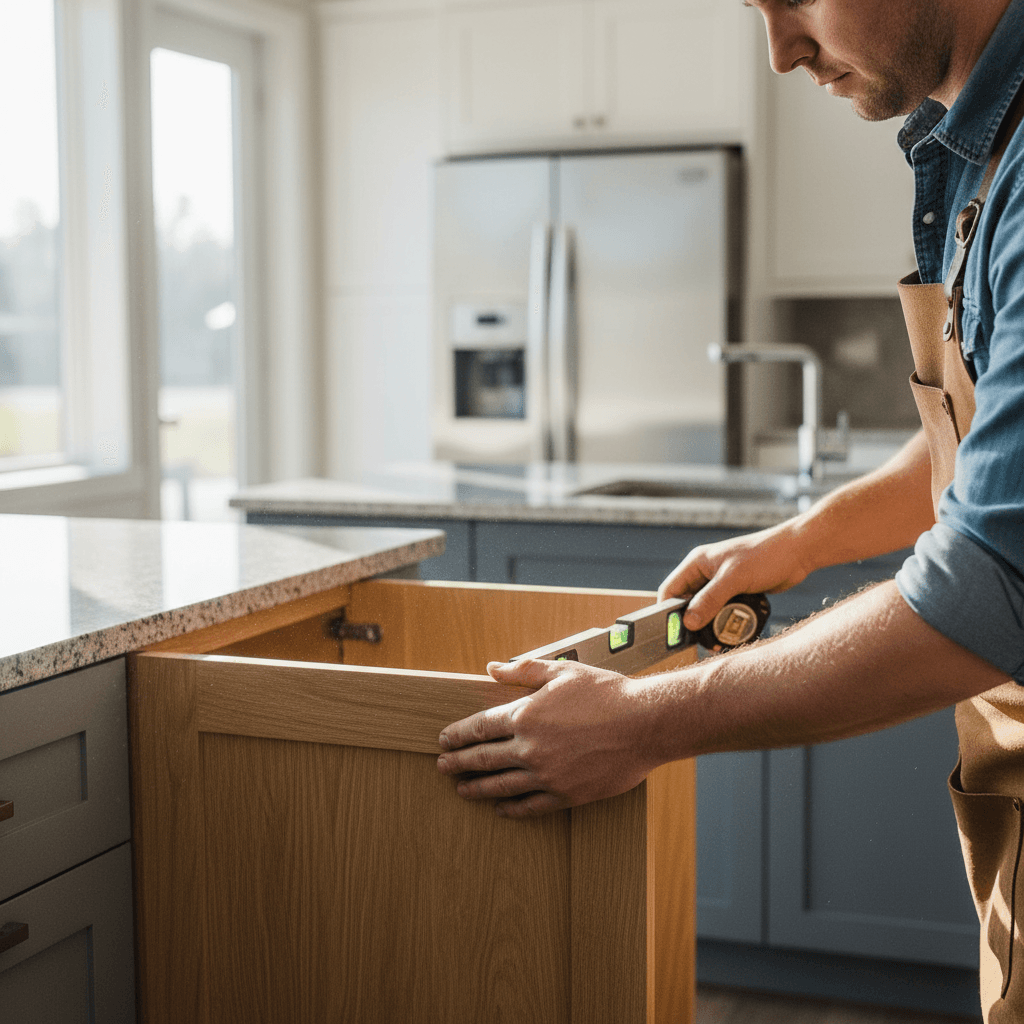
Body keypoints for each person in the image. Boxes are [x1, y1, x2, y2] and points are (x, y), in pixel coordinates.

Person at [436, 0, 1024, 1018]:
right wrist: (800, 540)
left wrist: (641, 724)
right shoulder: (973, 143)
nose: (782, 50)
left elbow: (992, 581)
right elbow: (981, 442)